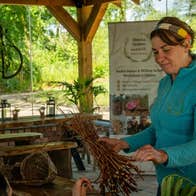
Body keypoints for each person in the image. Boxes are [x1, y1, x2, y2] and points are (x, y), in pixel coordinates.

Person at [99, 16, 196, 196]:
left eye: (166, 49)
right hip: (167, 182)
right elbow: (157, 130)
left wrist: (163, 155)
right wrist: (124, 143)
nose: (160, 58)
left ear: (186, 44)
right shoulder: (165, 84)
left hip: (190, 184)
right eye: (155, 52)